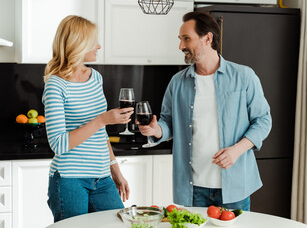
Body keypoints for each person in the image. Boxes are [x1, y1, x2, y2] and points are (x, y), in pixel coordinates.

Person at [137, 11, 271, 210]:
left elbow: (263, 120)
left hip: (234, 187)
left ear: (207, 38)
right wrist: (157, 131)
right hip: (193, 188)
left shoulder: (244, 76)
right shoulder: (178, 82)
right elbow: (168, 122)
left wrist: (236, 150)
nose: (181, 46)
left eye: (186, 39)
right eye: (180, 39)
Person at [42, 15, 132, 222]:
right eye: (93, 41)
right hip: (69, 179)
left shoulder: (95, 77)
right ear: (78, 44)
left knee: (120, 224)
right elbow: (59, 144)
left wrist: (115, 171)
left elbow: (100, 134)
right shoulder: (56, 85)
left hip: (102, 178)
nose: (98, 46)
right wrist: (102, 120)